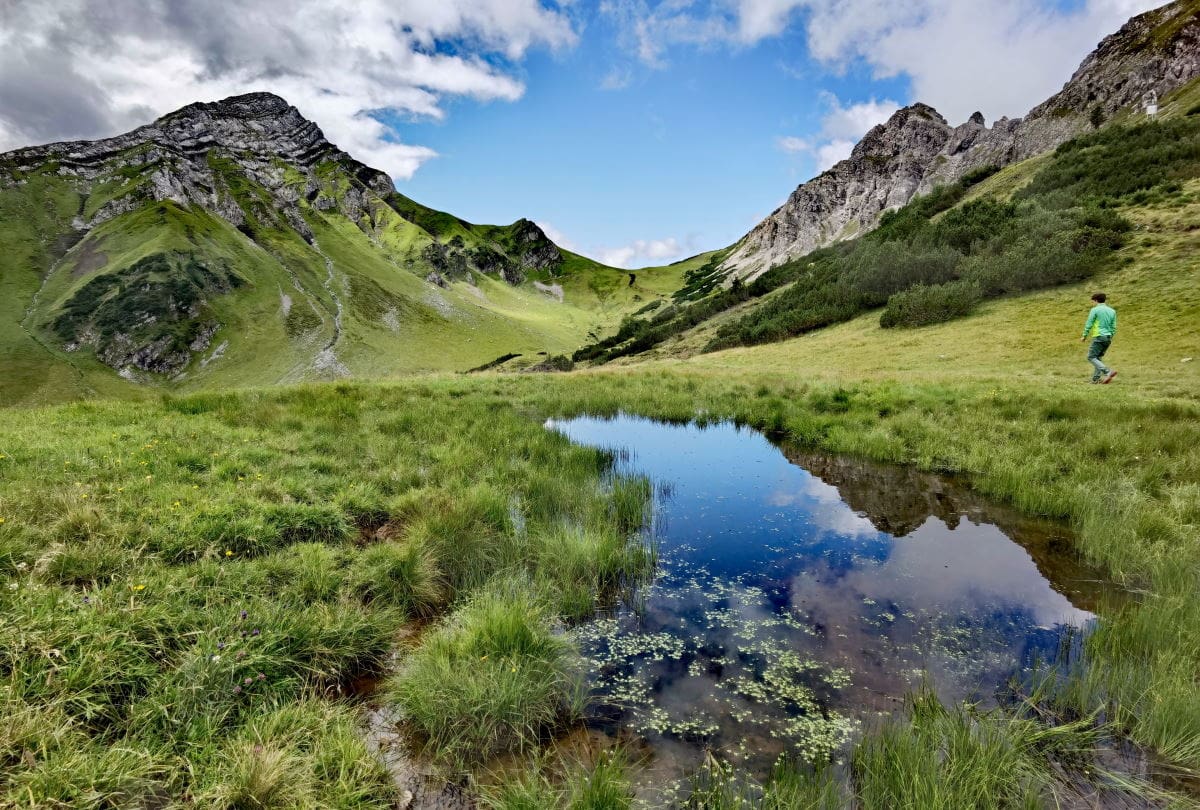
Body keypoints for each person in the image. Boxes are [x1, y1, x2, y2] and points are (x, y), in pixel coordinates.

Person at [1080, 292, 1117, 384]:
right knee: (1098, 358)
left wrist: (1084, 335)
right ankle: (1095, 379)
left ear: (1096, 300)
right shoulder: (1112, 311)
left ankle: (1108, 372)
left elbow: (1089, 323)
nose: (1093, 303)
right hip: (1108, 337)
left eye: (1093, 301)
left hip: (1099, 336)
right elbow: (1113, 326)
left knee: (1091, 357)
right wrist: (1110, 335)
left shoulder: (1095, 310)